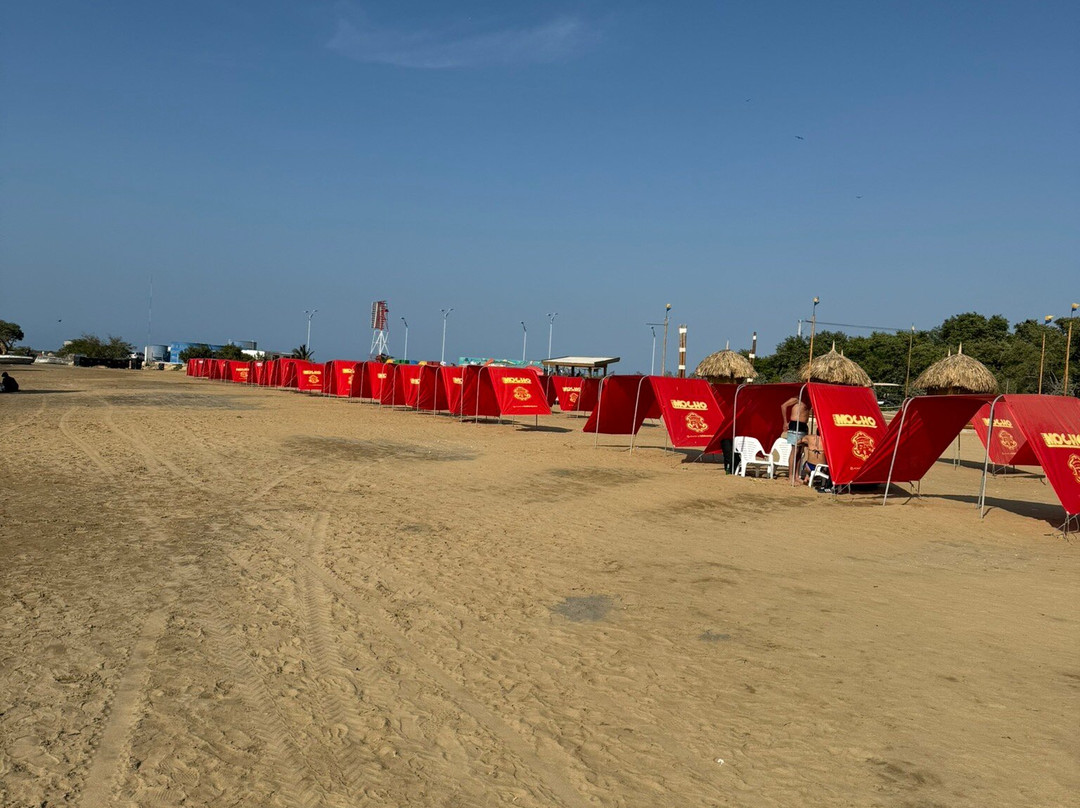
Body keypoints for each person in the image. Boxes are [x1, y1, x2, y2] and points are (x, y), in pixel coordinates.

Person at [780, 395, 811, 479]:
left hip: (803, 426)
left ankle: (796, 475)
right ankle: (791, 475)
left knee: (800, 452)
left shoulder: (810, 400)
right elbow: (783, 406)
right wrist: (785, 422)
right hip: (795, 425)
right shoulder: (798, 398)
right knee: (795, 450)